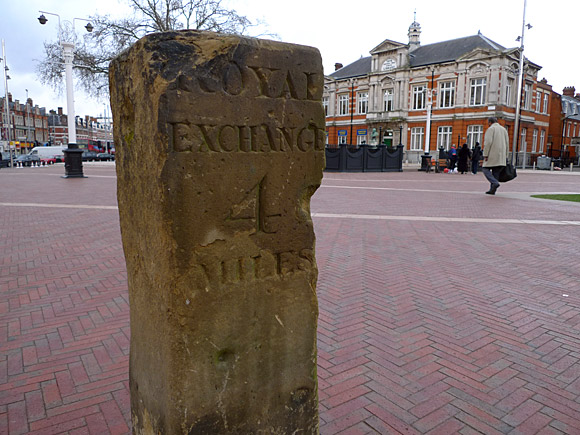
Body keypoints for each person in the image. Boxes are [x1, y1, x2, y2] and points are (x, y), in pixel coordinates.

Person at [482, 117, 509, 195]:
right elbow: (507, 144)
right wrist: (506, 156)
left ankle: (494, 182)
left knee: (485, 169)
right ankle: (492, 189)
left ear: (490, 122)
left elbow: (488, 143)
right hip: (501, 156)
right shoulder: (504, 130)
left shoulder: (491, 129)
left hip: (492, 154)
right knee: (496, 172)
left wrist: (485, 154)